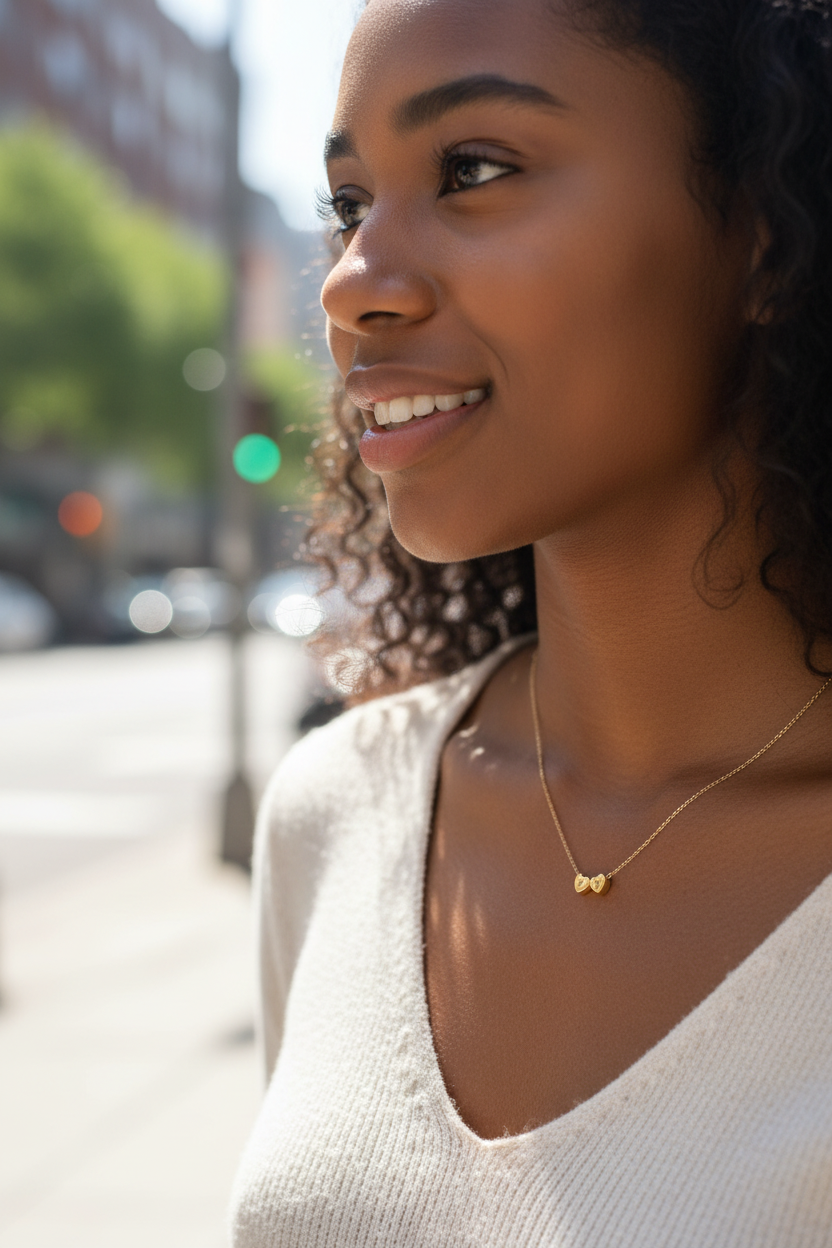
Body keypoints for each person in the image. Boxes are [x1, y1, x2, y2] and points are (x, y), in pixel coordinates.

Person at [230, 0, 832, 1243]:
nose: (350, 285)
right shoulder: (337, 811)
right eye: (350, 205)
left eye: (473, 170)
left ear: (769, 238)